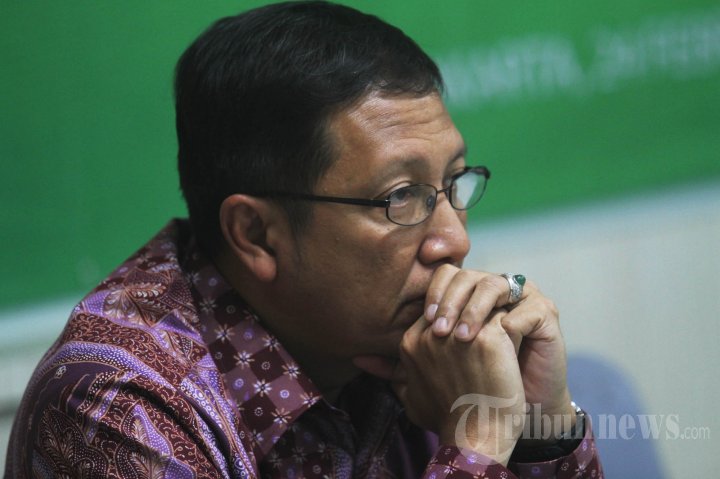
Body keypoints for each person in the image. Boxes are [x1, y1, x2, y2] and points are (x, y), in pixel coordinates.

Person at [5, 2, 603, 478]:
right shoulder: (112, 411)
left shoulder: (419, 353)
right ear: (257, 235)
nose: (452, 241)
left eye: (452, 183)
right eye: (400, 197)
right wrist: (478, 444)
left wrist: (541, 428)